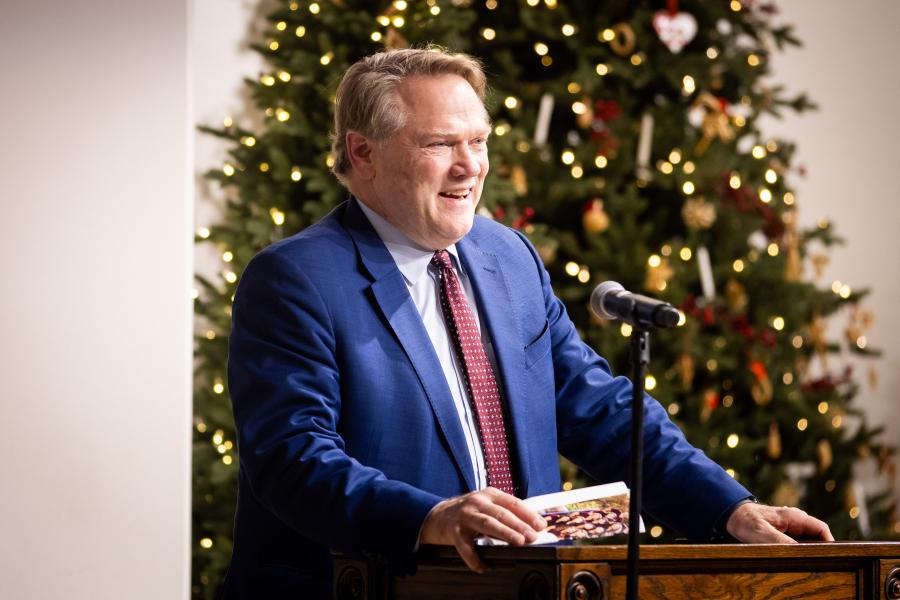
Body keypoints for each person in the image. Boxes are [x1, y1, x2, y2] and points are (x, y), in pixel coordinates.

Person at [222, 47, 832, 599]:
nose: (470, 167)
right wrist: (429, 520)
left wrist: (731, 511)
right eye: (439, 145)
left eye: (479, 142)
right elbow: (293, 458)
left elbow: (602, 412)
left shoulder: (508, 256)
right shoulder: (295, 278)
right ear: (362, 152)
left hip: (525, 586)